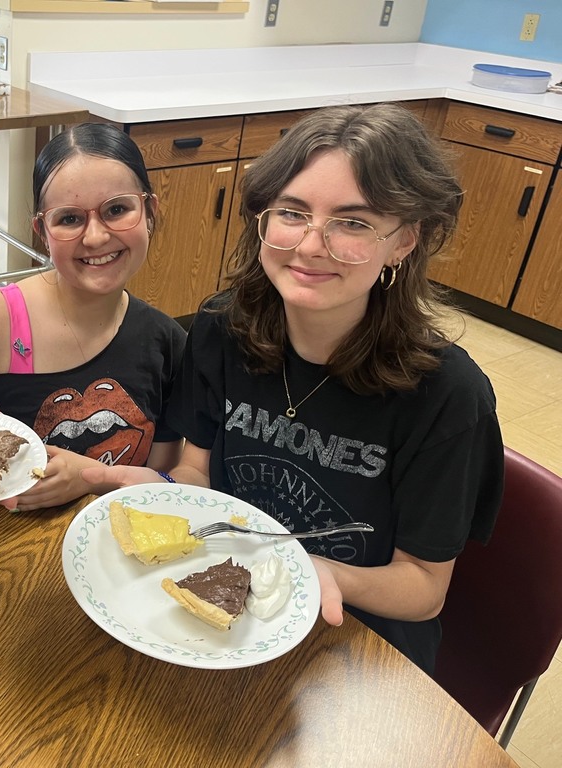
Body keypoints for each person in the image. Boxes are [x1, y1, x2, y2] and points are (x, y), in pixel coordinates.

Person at [88, 103, 504, 674]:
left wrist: (317, 573)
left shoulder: (449, 396)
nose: (311, 245)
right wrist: (161, 497)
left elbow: (424, 586)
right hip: (226, 610)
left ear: (404, 240)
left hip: (354, 637)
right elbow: (199, 473)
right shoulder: (221, 329)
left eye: (353, 222)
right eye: (293, 212)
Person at [0, 123, 186, 511]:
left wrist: (89, 481)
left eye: (117, 210)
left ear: (150, 212)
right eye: (70, 219)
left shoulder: (167, 342)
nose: (95, 238)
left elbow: (161, 482)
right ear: (42, 230)